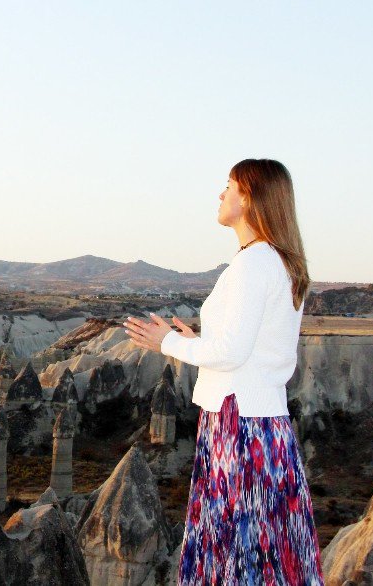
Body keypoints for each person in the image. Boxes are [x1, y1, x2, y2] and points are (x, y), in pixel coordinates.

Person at [125, 158, 323, 585]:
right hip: (265, 421)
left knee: (234, 544)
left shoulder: (254, 264)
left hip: (237, 424)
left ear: (250, 197)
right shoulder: (281, 262)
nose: (220, 194)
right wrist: (196, 339)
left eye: (229, 186)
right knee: (267, 544)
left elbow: (231, 354)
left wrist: (168, 344)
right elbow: (252, 347)